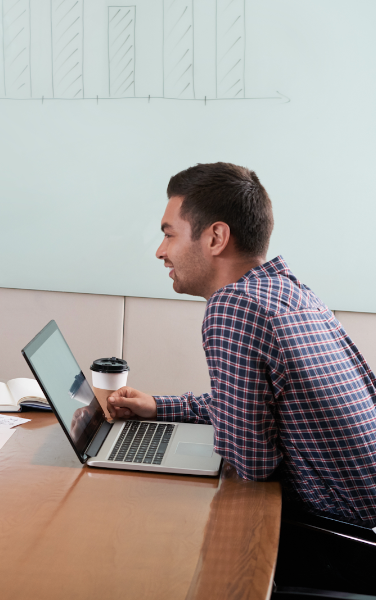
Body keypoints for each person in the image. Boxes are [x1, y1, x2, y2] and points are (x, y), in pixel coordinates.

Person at [106, 162, 376, 592]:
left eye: (169, 233)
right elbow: (260, 406)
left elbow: (252, 465)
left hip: (345, 542)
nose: (161, 251)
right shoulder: (288, 291)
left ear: (215, 237)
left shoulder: (234, 306)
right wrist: (160, 406)